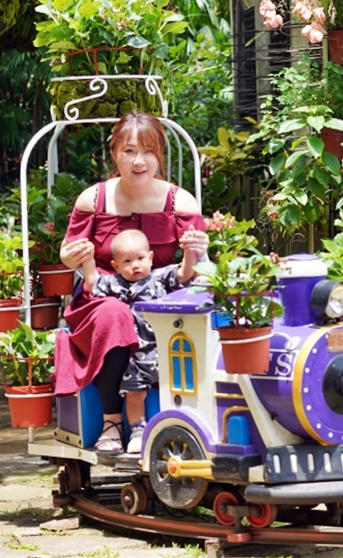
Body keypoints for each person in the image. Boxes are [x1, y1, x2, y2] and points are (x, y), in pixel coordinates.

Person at [55, 111, 209, 454]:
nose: (140, 161)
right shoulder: (92, 199)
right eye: (129, 151)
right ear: (115, 154)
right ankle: (112, 421)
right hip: (102, 298)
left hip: (162, 295)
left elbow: (196, 266)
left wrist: (197, 251)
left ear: (160, 156)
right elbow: (68, 255)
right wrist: (75, 256)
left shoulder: (179, 201)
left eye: (149, 152)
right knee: (115, 315)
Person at [80, 227, 203, 453]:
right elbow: (92, 284)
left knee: (182, 389)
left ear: (151, 258)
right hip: (135, 357)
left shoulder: (159, 278)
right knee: (135, 394)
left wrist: (188, 252)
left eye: (140, 258)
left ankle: (184, 429)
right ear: (116, 266)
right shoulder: (114, 283)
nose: (135, 265)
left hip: (164, 352)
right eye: (127, 261)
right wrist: (88, 260)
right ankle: (138, 429)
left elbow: (184, 274)